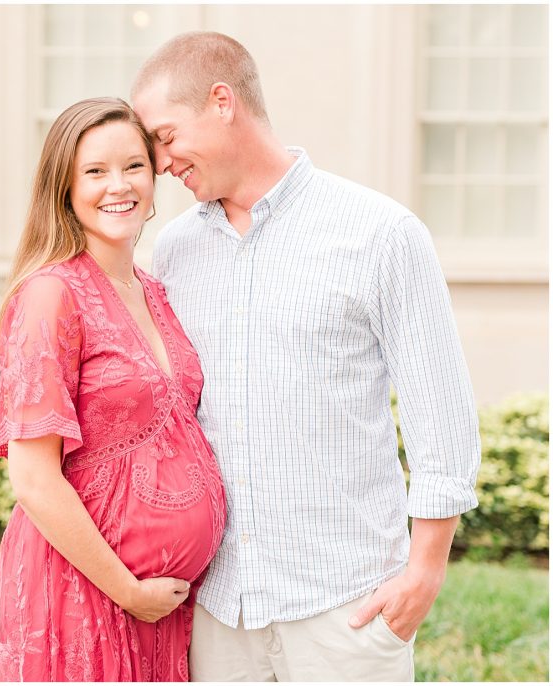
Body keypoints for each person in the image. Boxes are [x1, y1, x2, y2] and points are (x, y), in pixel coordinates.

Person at [130, 32, 481, 681]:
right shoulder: (174, 250)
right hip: (218, 609)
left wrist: (425, 570)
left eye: (166, 136)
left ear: (222, 101)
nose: (158, 163)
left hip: (345, 606)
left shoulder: (379, 233)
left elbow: (442, 412)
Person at [0, 97, 228, 681]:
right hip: (82, 591)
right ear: (63, 186)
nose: (117, 186)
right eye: (94, 171)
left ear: (153, 176)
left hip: (160, 607)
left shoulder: (154, 289)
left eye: (133, 167)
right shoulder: (52, 294)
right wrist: (127, 590)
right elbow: (34, 477)